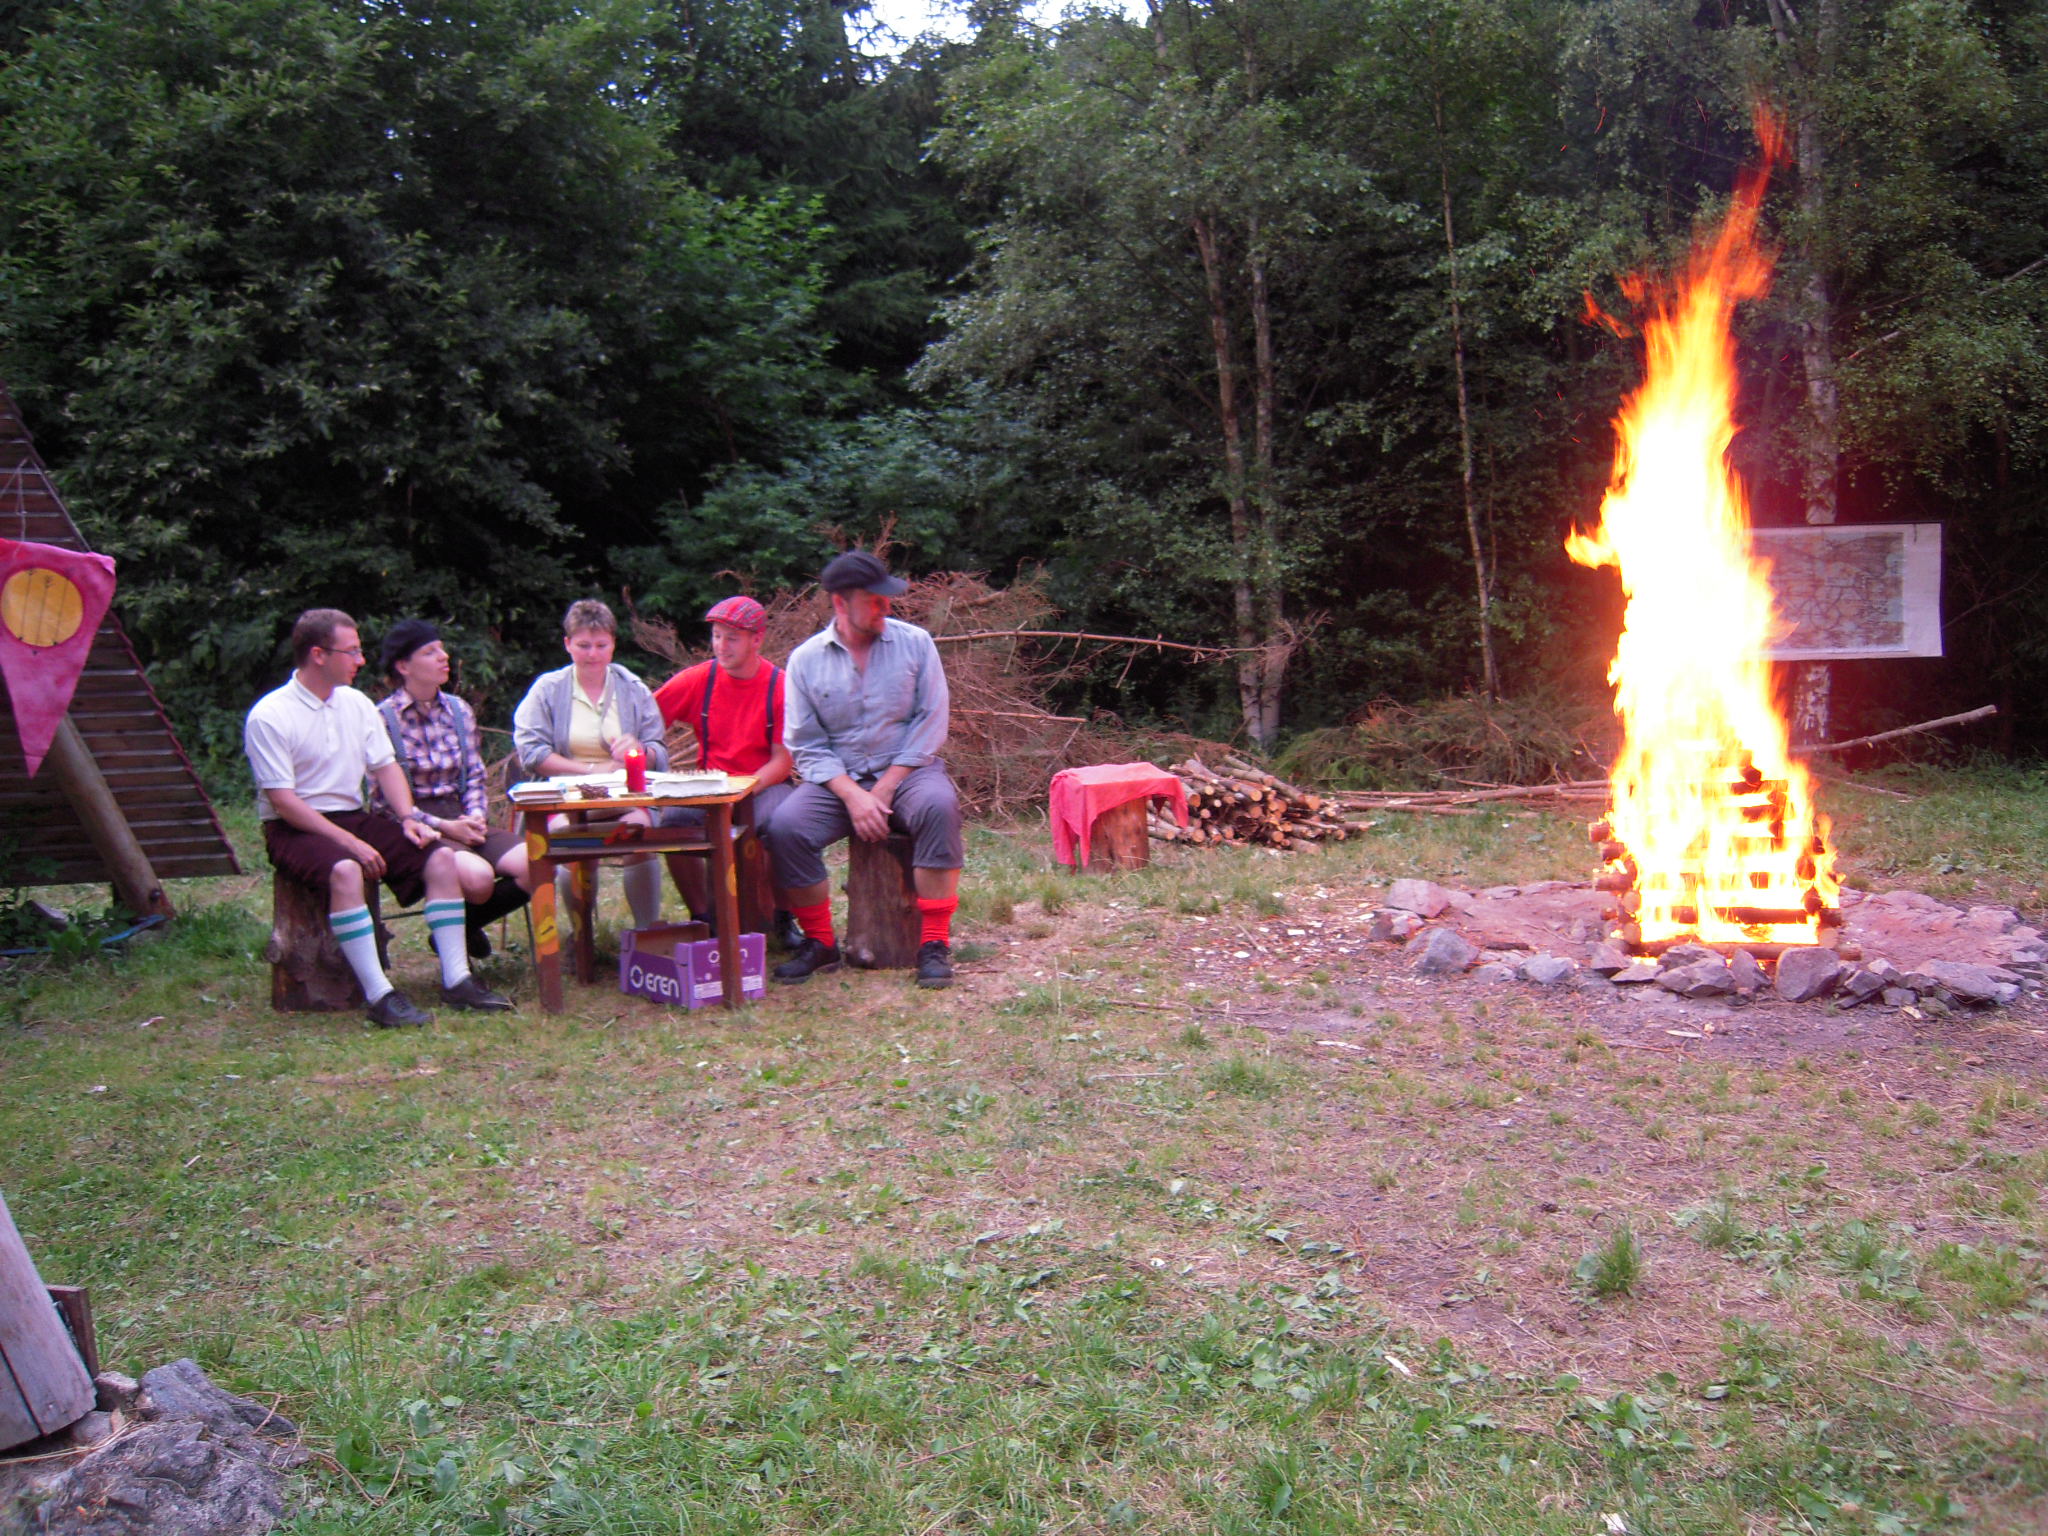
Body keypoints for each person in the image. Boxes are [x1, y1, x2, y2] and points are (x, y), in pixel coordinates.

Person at [244, 608, 513, 1027]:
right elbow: (283, 801)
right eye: (351, 651)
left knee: (441, 858)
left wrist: (408, 817)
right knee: (347, 870)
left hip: (352, 816)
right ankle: (380, 996)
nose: (362, 660)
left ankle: (458, 980)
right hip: (293, 827)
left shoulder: (356, 704)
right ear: (318, 655)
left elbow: (386, 766)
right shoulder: (270, 714)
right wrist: (350, 843)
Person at [767, 551, 961, 989]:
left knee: (938, 807)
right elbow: (806, 744)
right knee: (786, 828)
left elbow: (931, 721)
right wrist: (853, 796)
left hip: (908, 770)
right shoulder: (805, 660)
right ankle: (820, 942)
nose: (885, 607)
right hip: (838, 779)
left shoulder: (916, 643)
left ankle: (934, 944)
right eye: (874, 600)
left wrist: (886, 787)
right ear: (841, 603)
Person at [372, 620, 533, 959]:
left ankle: (460, 929)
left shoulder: (459, 710)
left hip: (461, 815)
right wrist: (444, 827)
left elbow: (474, 775)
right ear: (403, 666)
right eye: (430, 652)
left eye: (442, 649)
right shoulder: (382, 719)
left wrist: (475, 816)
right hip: (412, 826)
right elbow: (384, 803)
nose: (443, 657)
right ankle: (458, 939)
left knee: (536, 864)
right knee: (478, 879)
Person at [652, 595, 803, 946]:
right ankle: (703, 918)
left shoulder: (780, 686)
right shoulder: (699, 679)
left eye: (732, 638)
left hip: (765, 783)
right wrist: (641, 749)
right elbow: (647, 716)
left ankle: (782, 917)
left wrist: (743, 789)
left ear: (757, 639)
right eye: (717, 636)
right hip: (711, 785)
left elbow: (783, 760)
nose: (721, 646)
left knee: (781, 826)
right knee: (672, 822)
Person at [511, 598, 670, 931]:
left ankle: (647, 934)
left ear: (613, 645)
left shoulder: (633, 688)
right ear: (567, 644)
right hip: (563, 798)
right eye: (583, 646)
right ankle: (581, 937)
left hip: (624, 798)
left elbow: (658, 750)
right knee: (569, 840)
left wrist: (639, 750)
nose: (593, 654)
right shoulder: (548, 690)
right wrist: (590, 771)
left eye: (601, 645)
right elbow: (532, 753)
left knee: (640, 834)